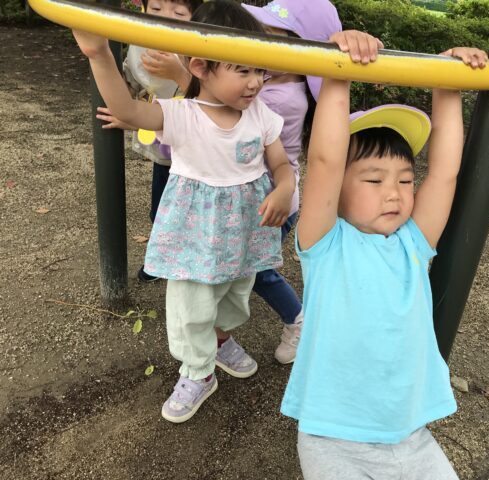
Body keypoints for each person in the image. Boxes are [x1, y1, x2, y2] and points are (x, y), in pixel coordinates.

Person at [72, 0, 296, 423]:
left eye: (260, 70)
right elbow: (127, 110)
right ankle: (198, 372)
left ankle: (221, 339)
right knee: (191, 306)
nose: (255, 82)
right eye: (242, 70)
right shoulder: (183, 114)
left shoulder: (261, 114)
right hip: (195, 234)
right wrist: (99, 54)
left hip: (244, 233)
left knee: (235, 296)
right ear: (200, 67)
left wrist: (285, 188)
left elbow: (281, 163)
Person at [280, 29, 488, 479]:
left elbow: (445, 173)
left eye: (405, 180)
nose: (394, 192)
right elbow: (325, 161)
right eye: (374, 180)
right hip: (333, 437)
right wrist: (337, 70)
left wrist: (448, 83)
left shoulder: (413, 244)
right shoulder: (325, 244)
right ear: (337, 190)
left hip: (410, 436)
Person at [215, 0, 343, 366]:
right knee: (244, 266)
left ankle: (298, 322)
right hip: (262, 195)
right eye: (262, 33)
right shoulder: (272, 81)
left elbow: (228, 118)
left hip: (276, 200)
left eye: (275, 37)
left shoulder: (282, 98)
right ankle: (220, 335)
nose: (262, 43)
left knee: (256, 271)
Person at [95, 0, 202, 283]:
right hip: (165, 152)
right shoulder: (141, 42)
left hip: (197, 153)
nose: (165, 17)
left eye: (178, 13)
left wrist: (177, 71)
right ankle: (163, 259)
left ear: (195, 17)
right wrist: (124, 105)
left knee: (192, 211)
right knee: (160, 210)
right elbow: (132, 83)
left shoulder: (202, 48)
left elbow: (208, 102)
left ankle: (185, 263)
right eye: (155, 9)